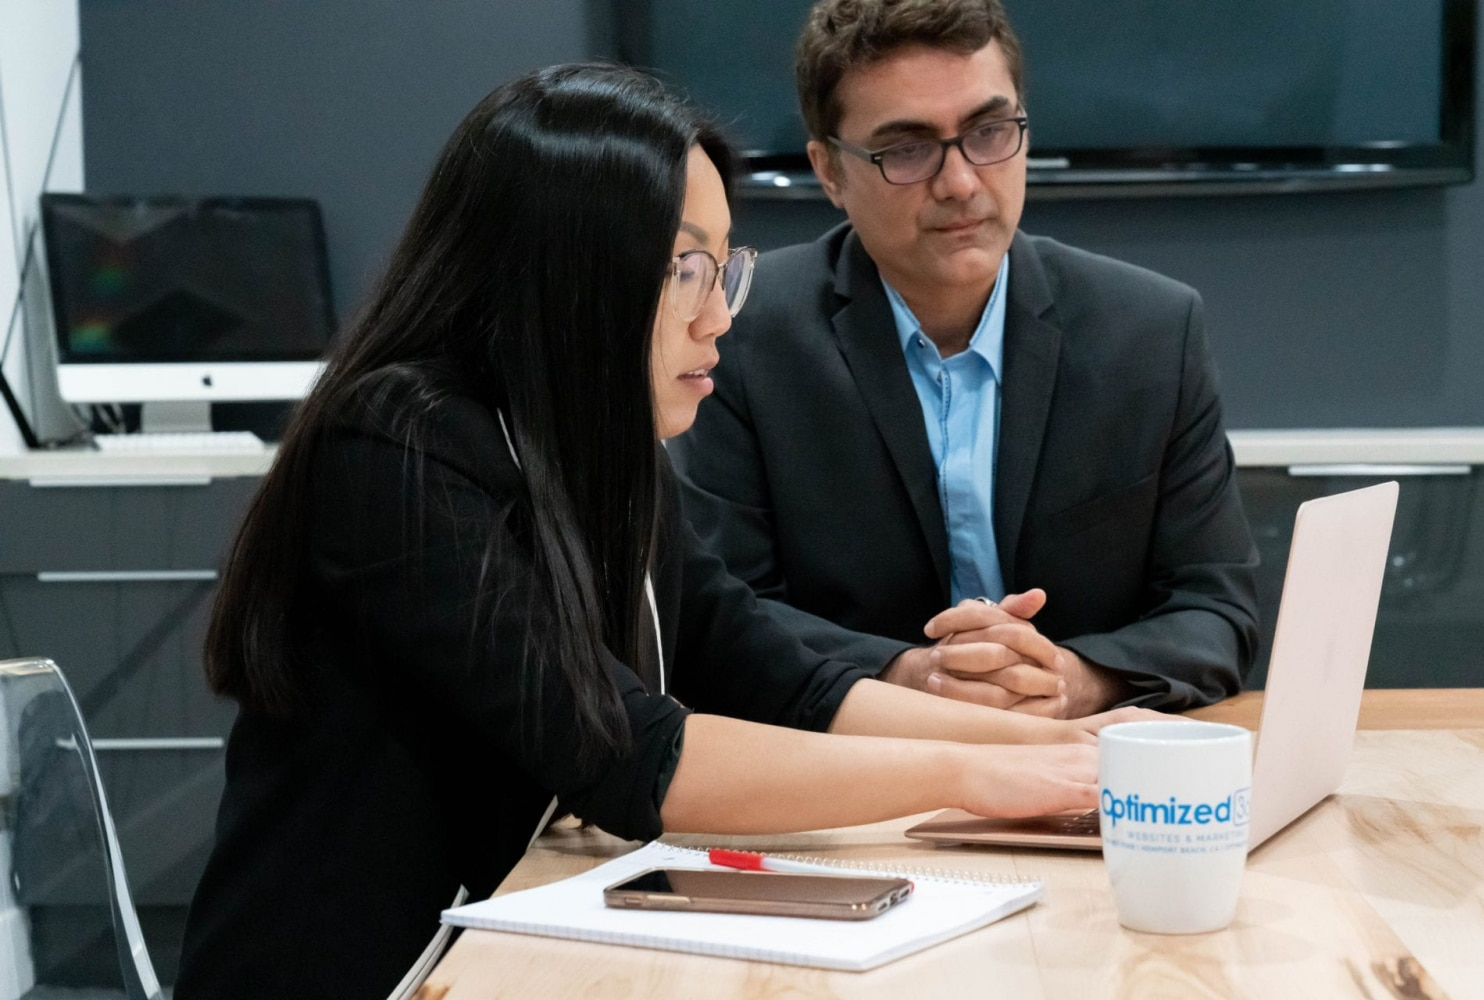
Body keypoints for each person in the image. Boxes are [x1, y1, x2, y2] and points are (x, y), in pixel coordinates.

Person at [171, 65, 1156, 1000]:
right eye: (687, 268)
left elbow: (764, 666)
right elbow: (629, 758)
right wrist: (985, 772)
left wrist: (1066, 741)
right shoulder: (396, 444)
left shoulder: (600, 443)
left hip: (499, 939)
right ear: (573, 274)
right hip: (370, 972)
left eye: (724, 267)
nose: (718, 314)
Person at [668, 0, 1259, 719]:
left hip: (1081, 761)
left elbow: (1216, 608)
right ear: (829, 172)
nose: (960, 183)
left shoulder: (1152, 332)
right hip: (850, 768)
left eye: (988, 132)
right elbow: (718, 614)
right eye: (908, 149)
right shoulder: (739, 336)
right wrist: (916, 679)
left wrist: (1071, 679)